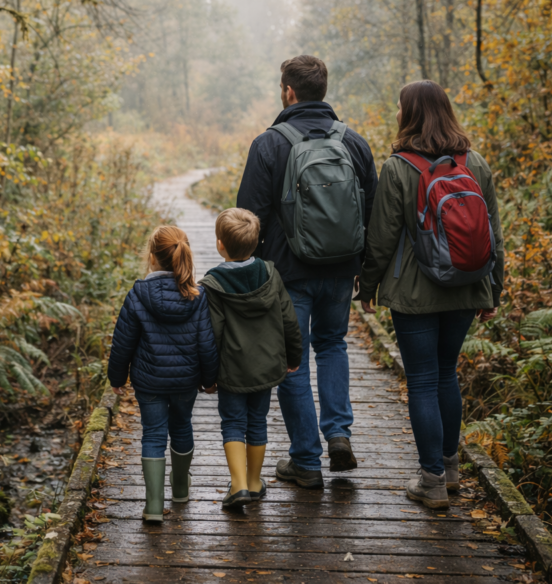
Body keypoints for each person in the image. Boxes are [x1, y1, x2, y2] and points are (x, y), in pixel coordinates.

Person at [357, 80, 504, 510]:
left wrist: (367, 286)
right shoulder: (474, 162)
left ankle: (431, 481)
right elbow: (494, 233)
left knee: (421, 379)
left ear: (409, 113)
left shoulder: (400, 166)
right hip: (467, 286)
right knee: (446, 373)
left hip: (414, 293)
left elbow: (382, 237)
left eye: (400, 107)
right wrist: (493, 289)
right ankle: (452, 468)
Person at [237, 55, 378, 488]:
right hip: (341, 271)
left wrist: (253, 275)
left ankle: (306, 461)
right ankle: (338, 433)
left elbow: (249, 217)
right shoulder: (352, 142)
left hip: (288, 274)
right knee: (333, 345)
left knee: (291, 363)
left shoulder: (270, 143)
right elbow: (372, 212)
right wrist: (365, 272)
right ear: (324, 90)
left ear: (288, 92)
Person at [107, 225, 219, 523]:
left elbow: (123, 342)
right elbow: (206, 343)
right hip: (185, 381)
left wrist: (117, 378)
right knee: (182, 427)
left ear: (152, 259)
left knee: (153, 434)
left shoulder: (138, 294)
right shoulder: (197, 296)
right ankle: (180, 488)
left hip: (149, 381)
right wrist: (209, 380)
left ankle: (154, 506)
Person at [198, 208, 303, 508]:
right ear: (256, 243)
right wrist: (293, 356)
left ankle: (239, 486)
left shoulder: (213, 285)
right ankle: (255, 482)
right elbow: (289, 321)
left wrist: (207, 377)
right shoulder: (271, 274)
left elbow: (211, 335)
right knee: (257, 421)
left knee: (232, 423)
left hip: (231, 371)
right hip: (266, 367)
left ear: (220, 245)